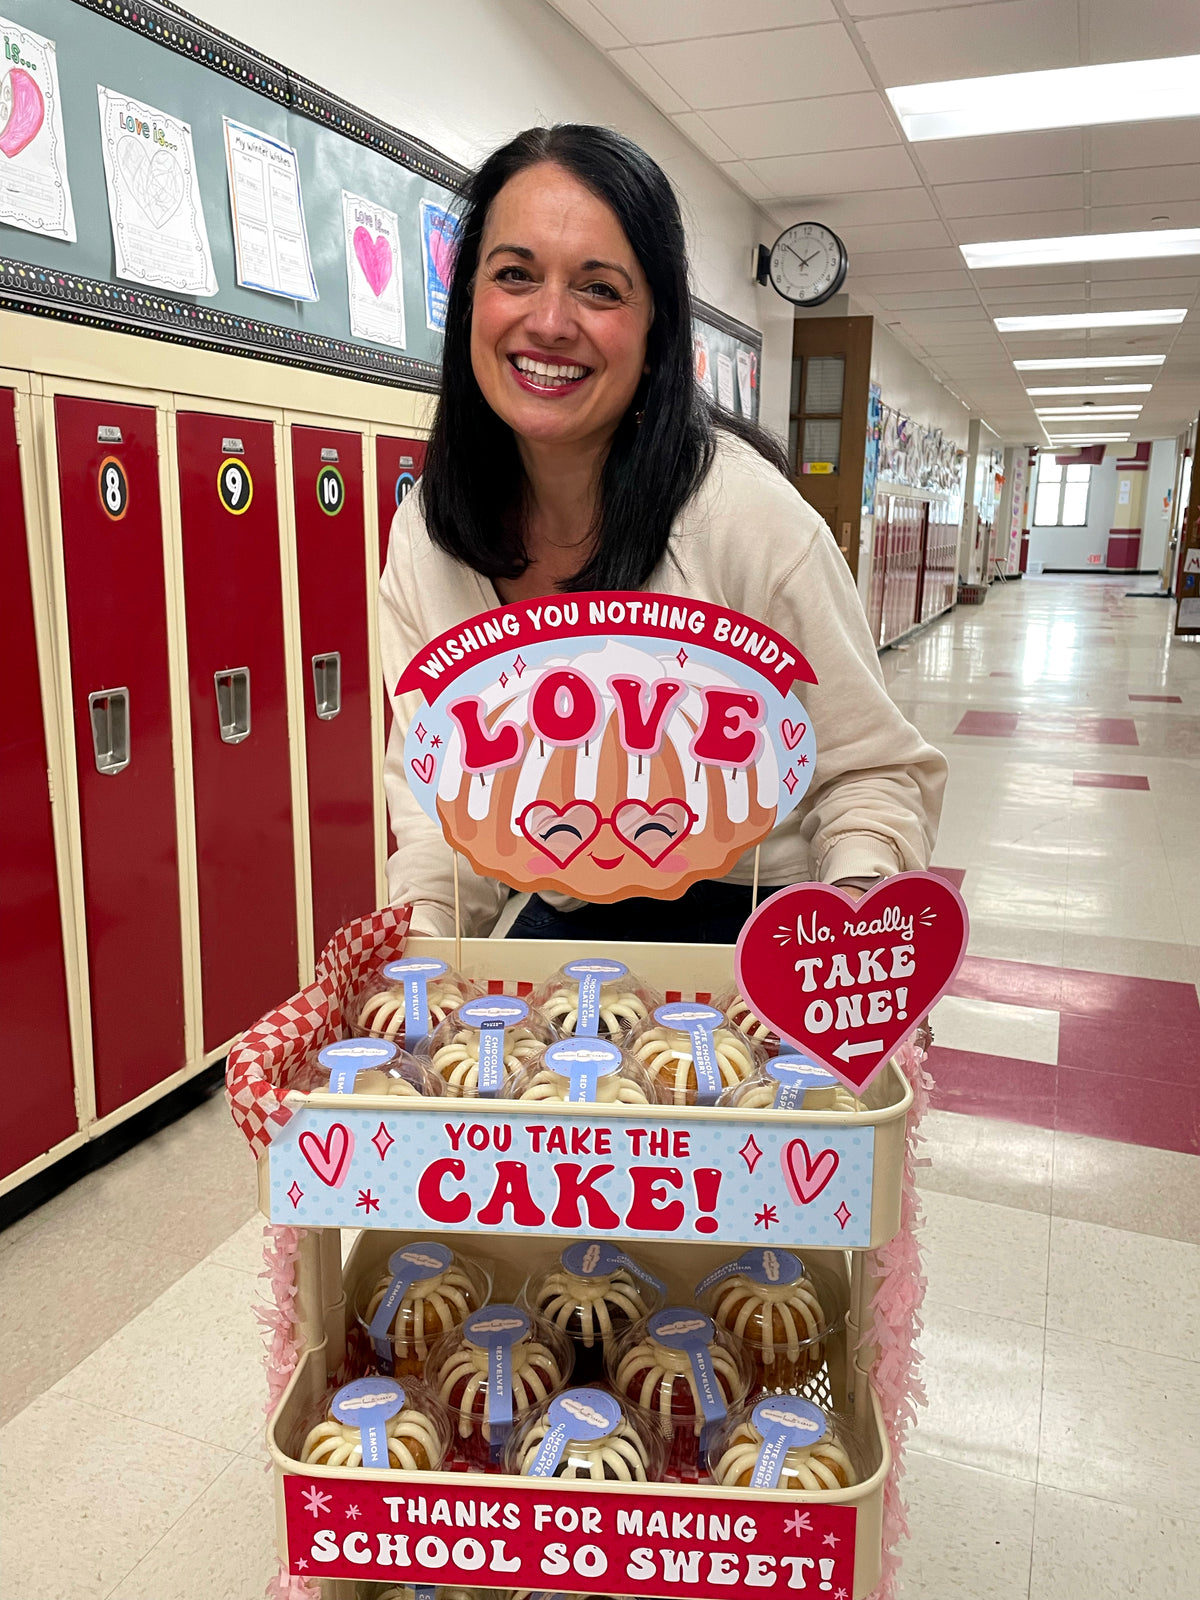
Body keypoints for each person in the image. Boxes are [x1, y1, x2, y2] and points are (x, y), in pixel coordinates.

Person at [380, 124, 946, 943]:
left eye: (600, 289)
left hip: (763, 918)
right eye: (514, 275)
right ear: (469, 298)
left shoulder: (747, 520)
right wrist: (420, 946)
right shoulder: (426, 539)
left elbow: (869, 775)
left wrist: (850, 929)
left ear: (655, 336)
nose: (549, 320)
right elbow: (439, 804)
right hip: (569, 919)